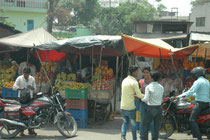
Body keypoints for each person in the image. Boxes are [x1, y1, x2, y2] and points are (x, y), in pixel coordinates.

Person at [174, 67, 210, 140]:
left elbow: (190, 92)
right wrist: (185, 95)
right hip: (206, 103)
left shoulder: (198, 82)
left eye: (193, 74)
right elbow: (197, 94)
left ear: (196, 74)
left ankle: (199, 138)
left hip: (200, 104)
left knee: (192, 119)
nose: (193, 76)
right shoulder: (206, 81)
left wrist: (178, 96)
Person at [121, 66, 144, 140]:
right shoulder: (134, 82)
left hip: (123, 106)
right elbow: (139, 95)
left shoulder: (124, 80)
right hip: (131, 107)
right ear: (133, 72)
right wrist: (147, 95)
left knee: (125, 122)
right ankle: (134, 138)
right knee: (133, 124)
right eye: (137, 71)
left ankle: (123, 136)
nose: (138, 73)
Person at [13, 68, 37, 136]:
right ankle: (21, 131)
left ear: (29, 74)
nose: (26, 76)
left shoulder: (32, 79)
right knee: (22, 114)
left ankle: (31, 130)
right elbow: (14, 87)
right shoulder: (19, 78)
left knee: (31, 113)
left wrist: (31, 87)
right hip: (22, 98)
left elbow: (35, 89)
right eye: (25, 74)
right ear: (23, 73)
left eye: (27, 74)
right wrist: (21, 88)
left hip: (30, 98)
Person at [141, 70, 164, 140]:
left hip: (150, 108)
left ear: (152, 78)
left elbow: (145, 99)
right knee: (156, 128)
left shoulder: (149, 87)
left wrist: (140, 97)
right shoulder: (161, 87)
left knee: (145, 126)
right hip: (159, 108)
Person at [138, 66, 154, 139]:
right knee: (143, 121)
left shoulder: (153, 82)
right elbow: (138, 92)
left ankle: (153, 137)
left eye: (147, 73)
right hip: (143, 104)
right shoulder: (140, 81)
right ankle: (142, 137)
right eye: (144, 73)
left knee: (151, 122)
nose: (145, 74)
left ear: (150, 73)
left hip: (151, 104)